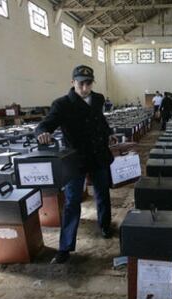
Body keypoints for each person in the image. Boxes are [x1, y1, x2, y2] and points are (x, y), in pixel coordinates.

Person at [35, 65, 117, 264]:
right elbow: (45, 124)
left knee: (102, 192)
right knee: (72, 202)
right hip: (76, 159)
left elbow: (100, 121)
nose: (85, 87)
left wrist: (109, 134)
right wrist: (42, 133)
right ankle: (65, 247)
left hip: (98, 155)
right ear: (73, 82)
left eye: (89, 83)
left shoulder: (97, 99)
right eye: (81, 83)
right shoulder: (62, 104)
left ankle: (105, 226)